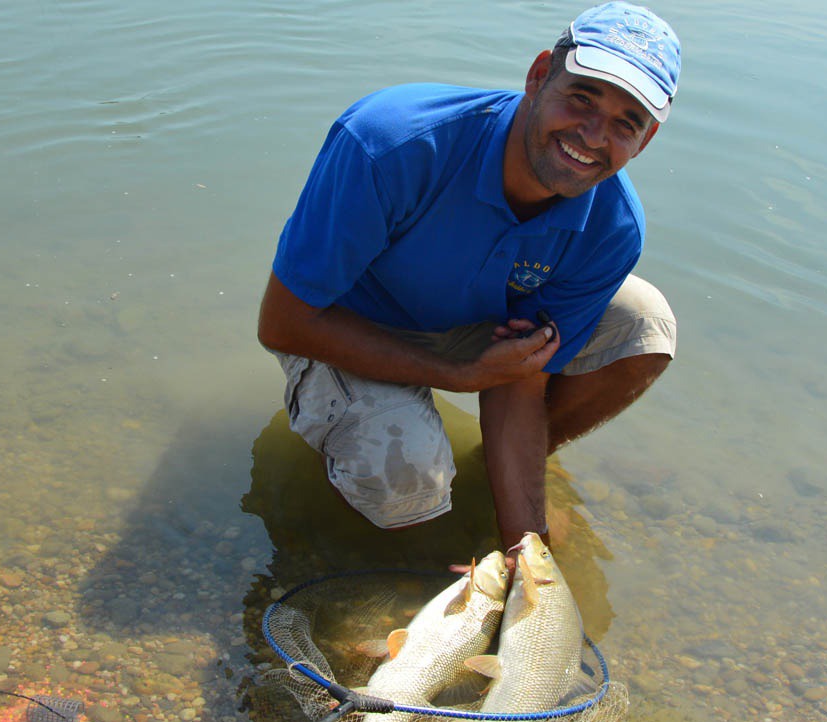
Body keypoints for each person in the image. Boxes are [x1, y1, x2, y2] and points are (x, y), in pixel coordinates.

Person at [258, 2, 680, 551]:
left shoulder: (613, 226)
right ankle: (351, 492)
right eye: (582, 98)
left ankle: (490, 479)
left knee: (645, 324)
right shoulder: (393, 143)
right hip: (340, 320)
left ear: (642, 143)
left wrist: (524, 550)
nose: (594, 136)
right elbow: (282, 323)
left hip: (475, 323)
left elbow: (524, 374)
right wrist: (455, 374)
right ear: (537, 77)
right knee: (404, 481)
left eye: (627, 124)